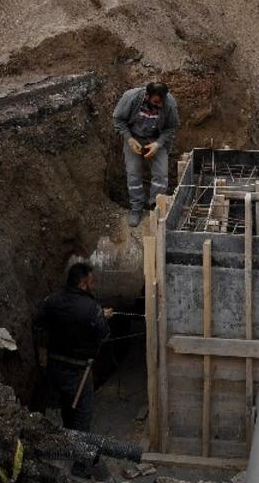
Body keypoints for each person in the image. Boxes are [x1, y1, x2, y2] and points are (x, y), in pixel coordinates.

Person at [32, 263, 111, 476]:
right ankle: (80, 467)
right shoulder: (91, 307)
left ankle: (68, 446)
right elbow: (103, 335)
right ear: (82, 282)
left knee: (68, 408)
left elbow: (38, 323)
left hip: (55, 367)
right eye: (91, 281)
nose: (93, 285)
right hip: (79, 372)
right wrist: (101, 317)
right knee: (83, 417)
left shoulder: (53, 301)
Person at [113, 82, 179, 227]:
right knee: (133, 174)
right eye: (156, 102)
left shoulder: (169, 104)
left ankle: (156, 208)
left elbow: (171, 127)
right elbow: (118, 120)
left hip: (156, 139)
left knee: (161, 175)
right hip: (134, 137)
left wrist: (158, 144)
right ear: (147, 96)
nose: (160, 105)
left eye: (162, 101)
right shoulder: (131, 97)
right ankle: (136, 209)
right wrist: (129, 139)